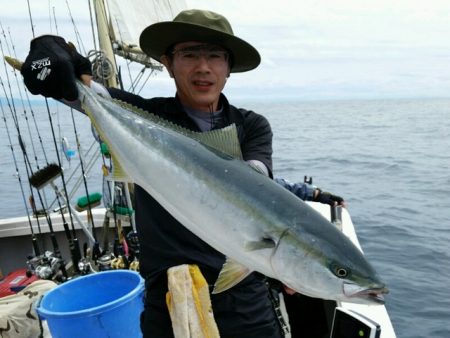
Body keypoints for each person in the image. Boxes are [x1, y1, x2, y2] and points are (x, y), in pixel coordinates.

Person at [21, 9, 344, 338]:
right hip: (170, 300)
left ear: (228, 67)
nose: (203, 67)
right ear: (168, 63)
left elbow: (254, 181)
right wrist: (58, 63)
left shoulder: (251, 127)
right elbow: (89, 96)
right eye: (189, 54)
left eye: (215, 56)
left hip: (246, 301)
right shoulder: (142, 116)